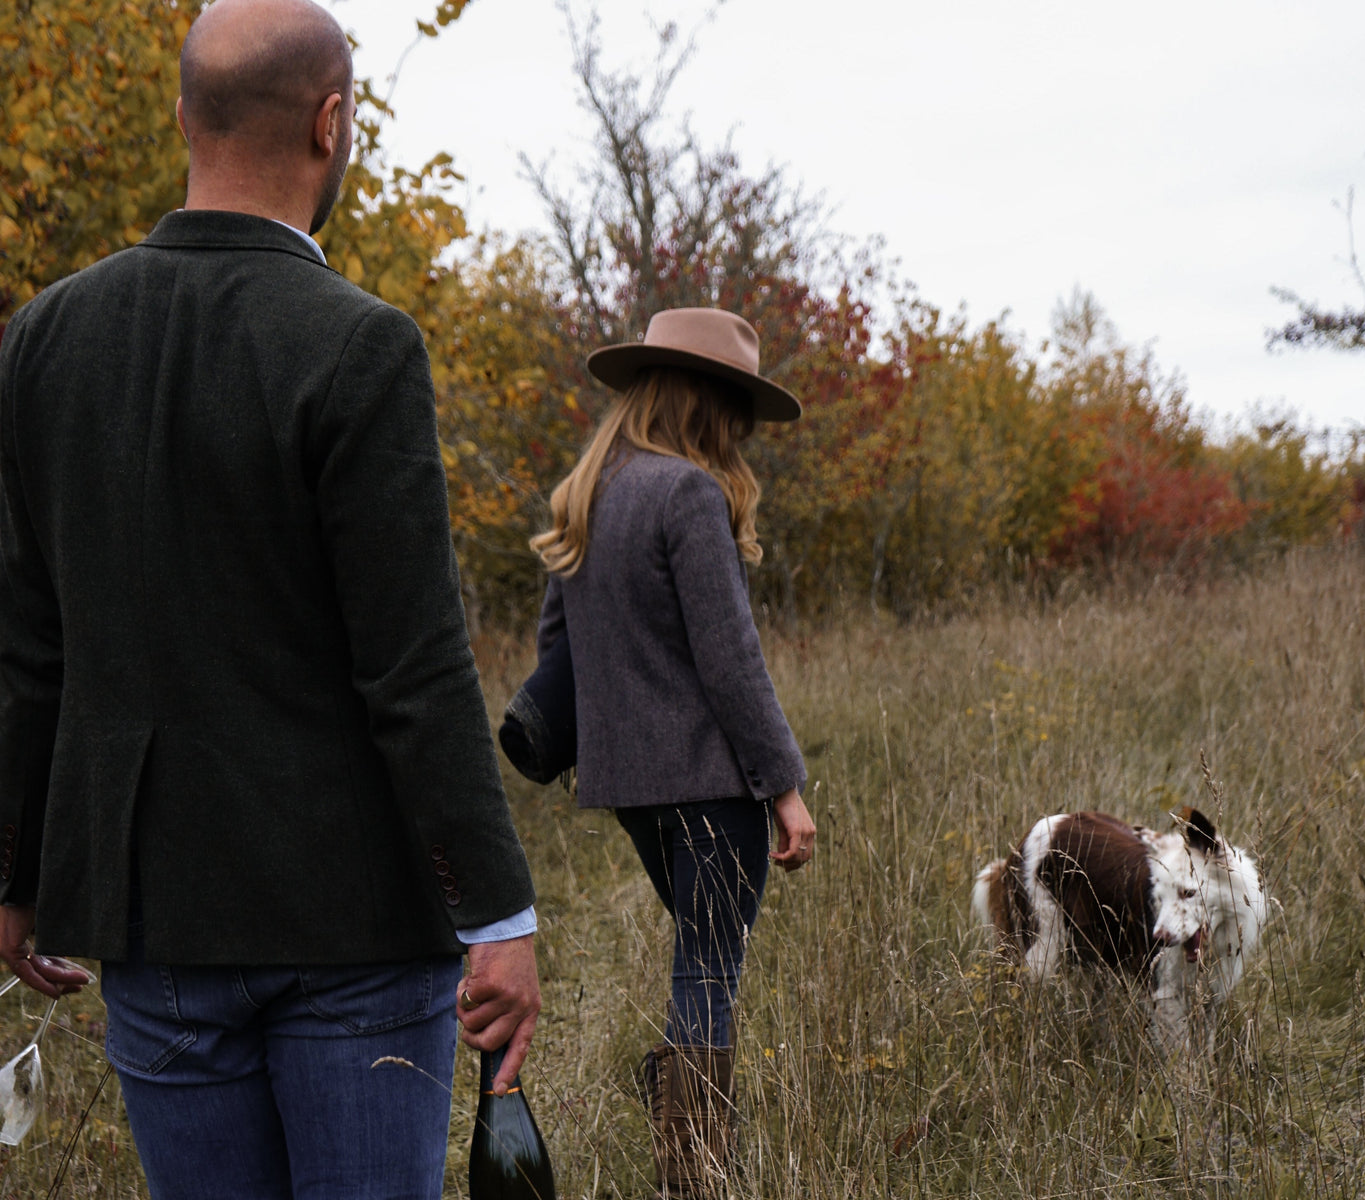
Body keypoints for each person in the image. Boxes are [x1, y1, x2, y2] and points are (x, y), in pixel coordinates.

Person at [0, 1, 540, 1195]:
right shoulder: (359, 345)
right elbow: (414, 665)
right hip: (350, 920)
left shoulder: (43, 339)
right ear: (332, 123)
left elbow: (27, 651)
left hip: (154, 918)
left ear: (184, 115)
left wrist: (14, 880)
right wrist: (496, 911)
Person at [530, 307, 817, 1197]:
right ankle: (691, 1175)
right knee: (707, 968)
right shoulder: (687, 493)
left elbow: (554, 647)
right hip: (708, 781)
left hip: (628, 786)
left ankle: (679, 1117)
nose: (738, 429)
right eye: (733, 405)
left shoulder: (591, 490)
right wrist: (786, 788)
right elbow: (731, 661)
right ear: (706, 400)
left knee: (698, 954)